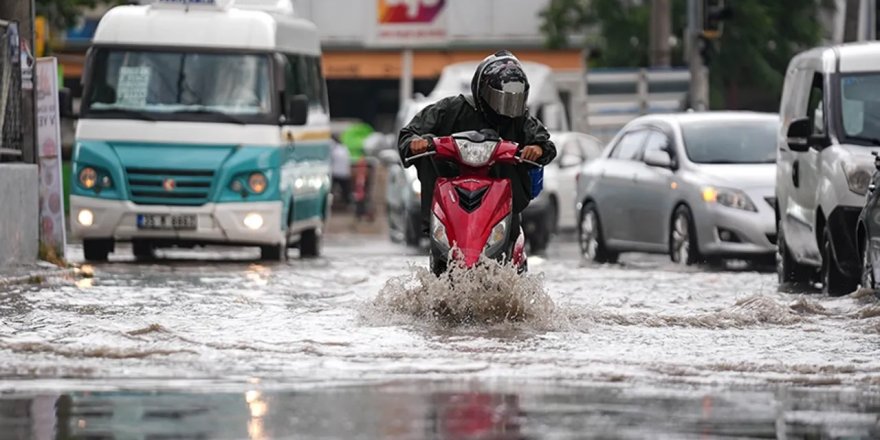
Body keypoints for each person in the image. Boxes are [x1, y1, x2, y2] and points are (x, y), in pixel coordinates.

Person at [397, 50, 556, 234]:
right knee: (428, 157)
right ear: (483, 91)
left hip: (503, 198)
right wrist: (416, 142)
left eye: (515, 99)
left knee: (512, 231)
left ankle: (510, 235)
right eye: (502, 98)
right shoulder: (452, 108)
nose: (508, 106)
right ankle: (435, 223)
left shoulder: (520, 118)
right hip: (451, 187)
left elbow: (545, 143)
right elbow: (409, 132)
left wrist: (537, 148)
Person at [330, 134, 352, 209]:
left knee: (331, 189)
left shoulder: (334, 148)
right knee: (345, 190)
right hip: (344, 173)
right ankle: (348, 203)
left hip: (336, 173)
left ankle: (330, 203)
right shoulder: (344, 148)